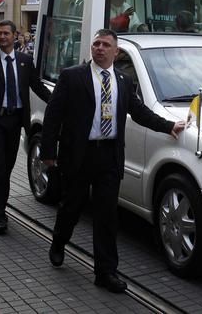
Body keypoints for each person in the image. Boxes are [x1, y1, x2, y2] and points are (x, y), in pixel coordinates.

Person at [41, 30, 185, 292]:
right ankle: (59, 242)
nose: (99, 48)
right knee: (71, 207)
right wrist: (48, 152)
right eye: (96, 43)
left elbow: (139, 112)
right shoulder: (72, 76)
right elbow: (53, 115)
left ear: (115, 52)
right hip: (79, 155)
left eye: (106, 45)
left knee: (107, 217)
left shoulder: (123, 79)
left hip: (109, 156)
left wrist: (169, 126)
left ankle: (105, 272)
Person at [0, 20, 51, 234]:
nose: (2, 37)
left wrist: (58, 102)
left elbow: (37, 86)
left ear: (15, 36)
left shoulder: (25, 60)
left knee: (7, 167)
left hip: (15, 122)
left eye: (6, 33)